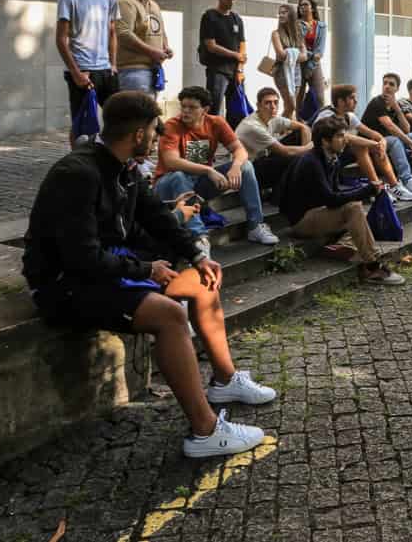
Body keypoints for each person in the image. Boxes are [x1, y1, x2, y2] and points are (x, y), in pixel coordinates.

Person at [21, 91, 274, 458]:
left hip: (109, 269)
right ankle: (205, 432)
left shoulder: (125, 168)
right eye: (154, 131)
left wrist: (193, 254)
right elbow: (80, 258)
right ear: (139, 133)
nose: (157, 139)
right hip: (66, 285)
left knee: (203, 282)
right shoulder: (76, 174)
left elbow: (155, 216)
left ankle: (224, 380)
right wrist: (146, 269)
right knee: (171, 315)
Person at [278, 117, 405, 285]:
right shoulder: (311, 162)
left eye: (344, 135)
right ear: (325, 141)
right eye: (339, 136)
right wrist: (365, 191)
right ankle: (372, 266)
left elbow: (335, 192)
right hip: (302, 221)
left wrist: (366, 190)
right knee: (353, 209)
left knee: (357, 210)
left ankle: (341, 246)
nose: (345, 139)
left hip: (319, 212)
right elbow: (331, 199)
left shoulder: (331, 157)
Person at [153, 86, 280, 246]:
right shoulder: (172, 125)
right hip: (167, 186)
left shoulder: (216, 123)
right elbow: (171, 161)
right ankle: (199, 239)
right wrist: (208, 170)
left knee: (245, 166)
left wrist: (235, 166)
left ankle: (255, 226)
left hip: (198, 184)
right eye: (183, 106)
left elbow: (240, 150)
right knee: (179, 176)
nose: (185, 111)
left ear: (205, 109)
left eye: (192, 107)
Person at [56, 0, 121, 148]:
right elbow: (60, 39)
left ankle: (117, 160)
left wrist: (113, 64)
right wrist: (76, 73)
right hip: (82, 70)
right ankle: (78, 163)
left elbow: (112, 32)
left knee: (119, 118)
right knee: (82, 124)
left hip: (105, 70)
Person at [312, 84, 412, 203]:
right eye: (352, 98)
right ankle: (377, 188)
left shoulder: (349, 116)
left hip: (340, 153)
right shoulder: (326, 115)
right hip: (325, 157)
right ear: (341, 101)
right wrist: (373, 144)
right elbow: (348, 138)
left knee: (372, 147)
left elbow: (374, 134)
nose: (356, 101)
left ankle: (394, 186)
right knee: (361, 147)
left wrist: (381, 143)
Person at [235, 86, 311, 198]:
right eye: (268, 103)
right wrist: (308, 149)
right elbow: (286, 152)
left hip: (262, 158)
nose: (273, 107)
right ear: (258, 105)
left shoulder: (272, 117)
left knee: (298, 136)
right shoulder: (252, 126)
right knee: (293, 157)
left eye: (276, 102)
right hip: (248, 172)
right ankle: (281, 193)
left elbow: (303, 127)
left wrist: (305, 151)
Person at [114, 0, 173, 96]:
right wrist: (152, 52)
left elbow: (161, 31)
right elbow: (123, 34)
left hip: (153, 69)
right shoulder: (125, 2)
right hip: (133, 71)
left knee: (149, 114)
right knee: (137, 115)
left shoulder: (153, 5)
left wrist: (165, 47)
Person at [198, 0, 246, 117]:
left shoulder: (237, 19)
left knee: (237, 110)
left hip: (235, 70)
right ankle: (211, 137)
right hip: (218, 70)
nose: (231, 2)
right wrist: (234, 55)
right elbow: (210, 45)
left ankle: (232, 136)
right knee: (214, 108)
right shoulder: (210, 16)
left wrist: (240, 68)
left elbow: (242, 45)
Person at [270, 3, 304, 120]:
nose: (280, 15)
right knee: (291, 105)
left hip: (296, 72)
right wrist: (295, 53)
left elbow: (305, 56)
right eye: (279, 13)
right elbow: (280, 54)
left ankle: (286, 133)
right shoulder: (276, 34)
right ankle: (273, 127)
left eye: (284, 12)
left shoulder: (298, 34)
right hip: (281, 72)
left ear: (291, 15)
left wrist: (289, 53)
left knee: (290, 107)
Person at [295, 0, 327, 114]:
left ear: (312, 8)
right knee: (298, 98)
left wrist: (312, 58)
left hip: (315, 65)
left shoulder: (321, 26)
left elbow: (320, 50)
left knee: (320, 98)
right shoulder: (296, 25)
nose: (302, 7)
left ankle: (320, 124)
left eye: (305, 4)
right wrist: (312, 55)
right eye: (300, 5)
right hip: (299, 64)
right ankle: (298, 125)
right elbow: (298, 46)